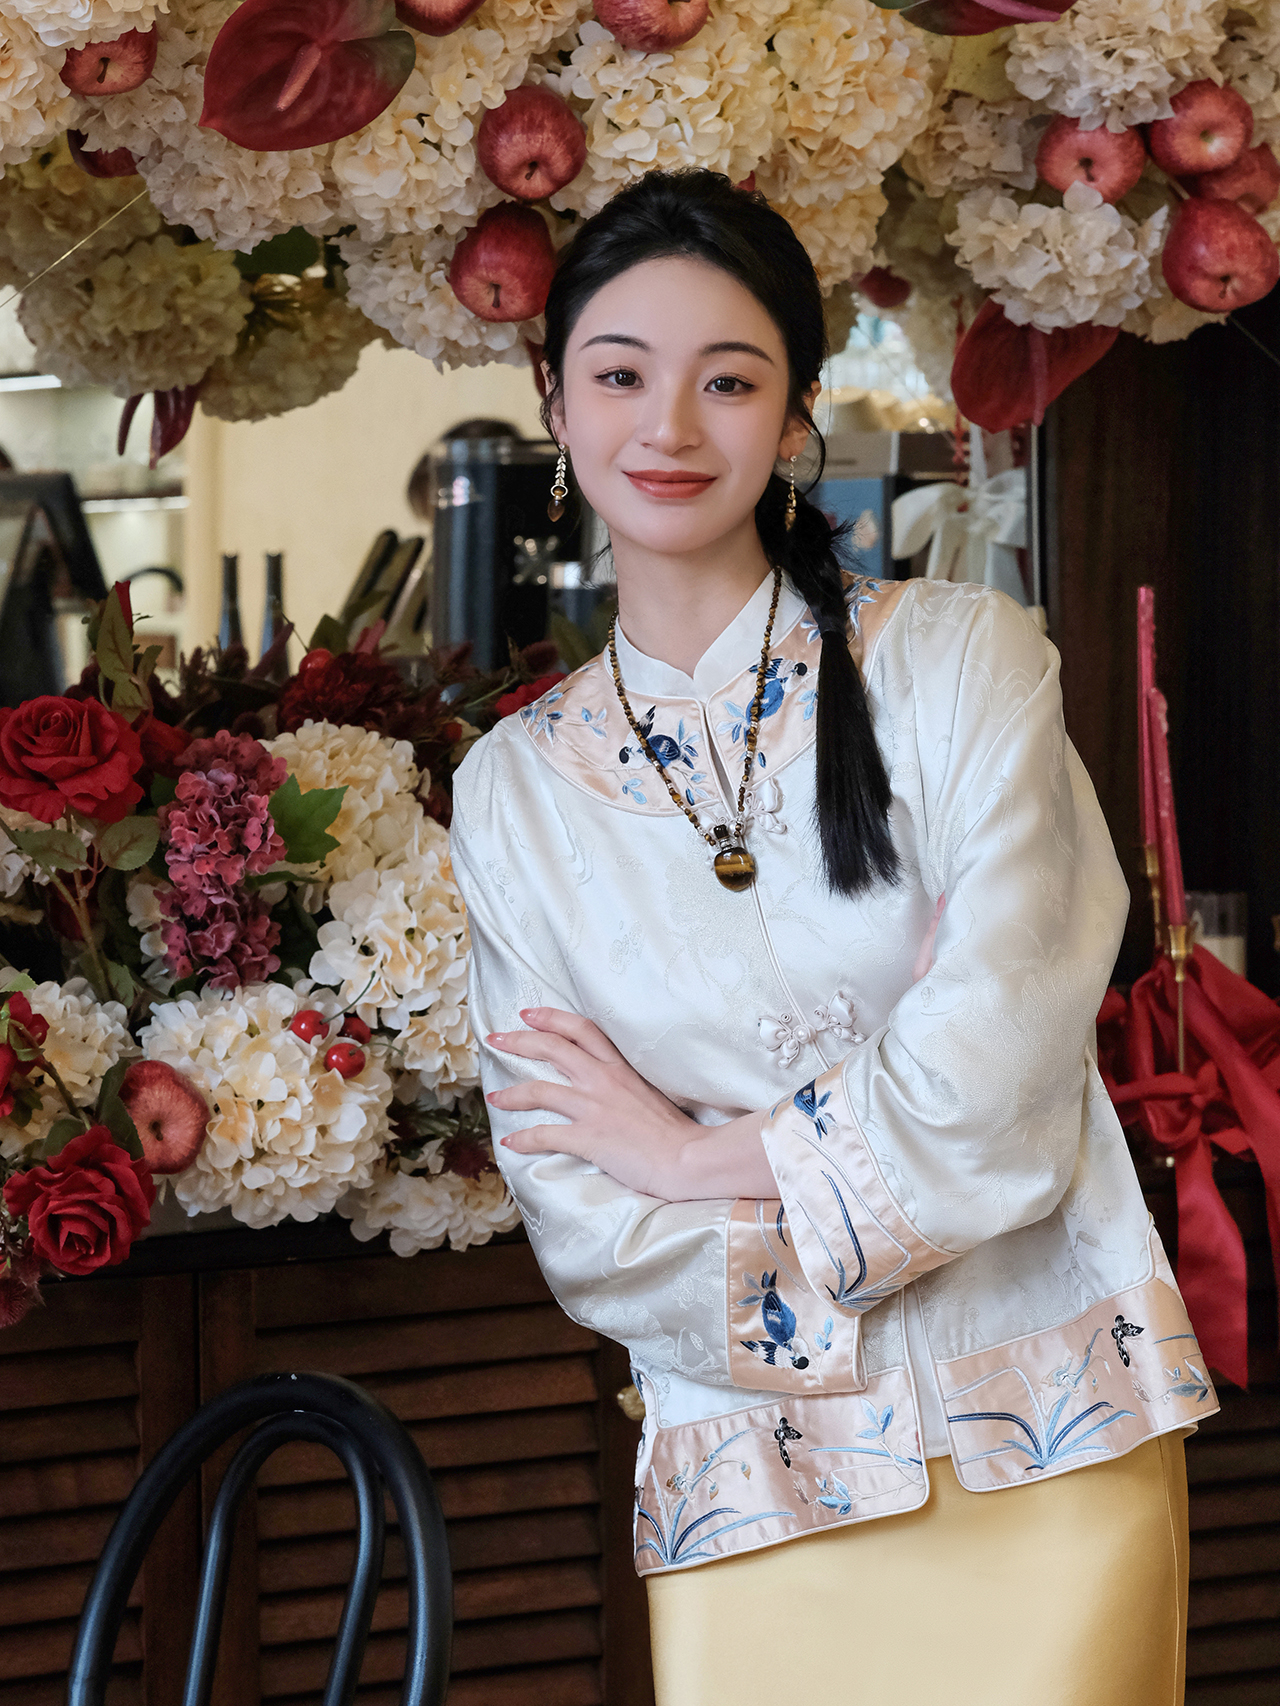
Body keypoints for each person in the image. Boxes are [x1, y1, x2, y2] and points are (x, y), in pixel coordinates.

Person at [448, 170, 1212, 1706]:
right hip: (759, 1482)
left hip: (1050, 1442)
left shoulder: (960, 664)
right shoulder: (514, 793)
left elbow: (999, 1065)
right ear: (555, 401)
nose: (669, 426)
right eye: (620, 374)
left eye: (728, 380)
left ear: (796, 412)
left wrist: (696, 1152)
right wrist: (833, 1238)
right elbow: (584, 1214)